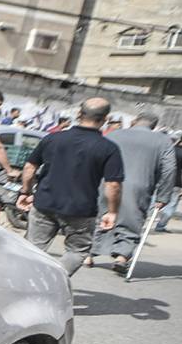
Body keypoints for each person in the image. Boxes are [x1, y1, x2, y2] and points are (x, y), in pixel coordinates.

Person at [16, 98, 123, 276]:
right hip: (81, 209)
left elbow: (29, 168)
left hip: (44, 203)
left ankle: (25, 284)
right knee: (78, 250)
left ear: (79, 114)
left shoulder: (53, 139)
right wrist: (112, 212)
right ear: (105, 119)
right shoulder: (108, 148)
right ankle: (54, 281)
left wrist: (25, 192)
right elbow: (113, 184)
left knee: (33, 248)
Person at [89, 113, 176, 272]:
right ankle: (122, 257)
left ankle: (89, 254)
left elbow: (95, 157)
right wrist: (164, 195)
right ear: (154, 126)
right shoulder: (163, 141)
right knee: (132, 220)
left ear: (134, 121)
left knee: (100, 215)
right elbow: (169, 169)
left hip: (106, 182)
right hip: (139, 186)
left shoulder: (114, 134)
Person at [155, 132, 182, 232]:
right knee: (171, 205)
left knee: (153, 202)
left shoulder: (169, 149)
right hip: (176, 183)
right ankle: (160, 226)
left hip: (161, 179)